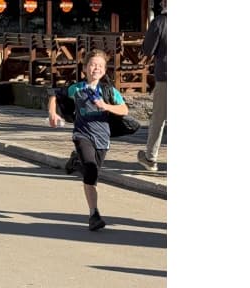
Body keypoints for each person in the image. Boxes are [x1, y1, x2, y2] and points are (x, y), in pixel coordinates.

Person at [47, 49, 130, 231]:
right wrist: (52, 113)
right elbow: (55, 94)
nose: (96, 68)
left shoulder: (108, 90)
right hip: (82, 135)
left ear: (104, 70)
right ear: (85, 68)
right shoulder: (77, 89)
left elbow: (124, 109)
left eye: (100, 66)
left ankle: (76, 161)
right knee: (91, 171)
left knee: (92, 174)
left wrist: (105, 105)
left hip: (102, 138)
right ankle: (94, 214)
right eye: (92, 65)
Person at [137, 0, 167, 172]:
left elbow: (147, 49)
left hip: (166, 76)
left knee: (159, 118)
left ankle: (150, 157)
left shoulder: (160, 22)